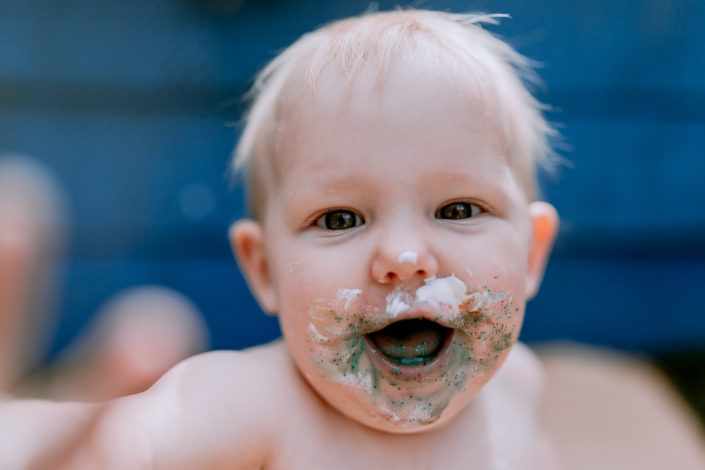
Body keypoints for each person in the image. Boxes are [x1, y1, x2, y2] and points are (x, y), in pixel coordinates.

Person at [5, 9, 563, 468]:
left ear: (533, 252)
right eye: (341, 218)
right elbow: (121, 438)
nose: (404, 256)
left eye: (457, 209)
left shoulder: (518, 387)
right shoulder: (257, 403)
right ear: (264, 267)